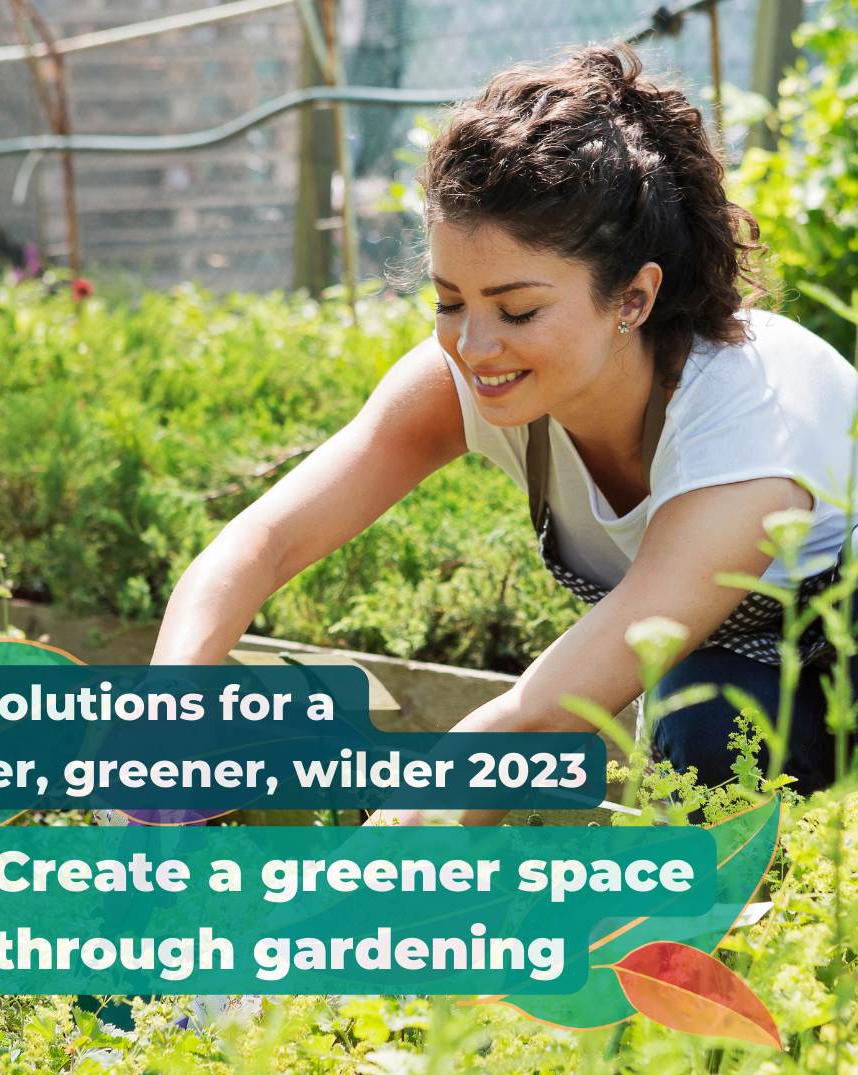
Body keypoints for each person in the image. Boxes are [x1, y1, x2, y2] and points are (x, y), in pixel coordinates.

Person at [150, 45, 858, 821]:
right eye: (450, 300)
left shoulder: (747, 418)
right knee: (706, 738)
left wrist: (368, 874)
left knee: (708, 738)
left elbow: (537, 718)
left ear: (632, 297)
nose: (473, 347)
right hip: (744, 680)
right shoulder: (463, 374)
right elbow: (261, 546)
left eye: (517, 311)